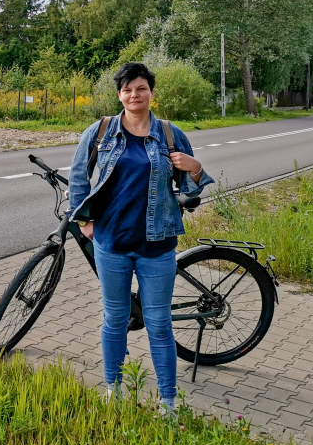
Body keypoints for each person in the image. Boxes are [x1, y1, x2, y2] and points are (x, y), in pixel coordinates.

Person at [67, 62, 214, 417]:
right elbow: (78, 176)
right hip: (111, 242)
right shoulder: (101, 131)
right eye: (128, 89)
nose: (134, 95)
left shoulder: (170, 134)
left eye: (141, 88)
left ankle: (168, 402)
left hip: (157, 245)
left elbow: (190, 189)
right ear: (120, 95)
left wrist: (195, 168)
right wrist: (84, 221)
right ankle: (113, 388)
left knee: (159, 324)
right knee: (115, 318)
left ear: (151, 93)